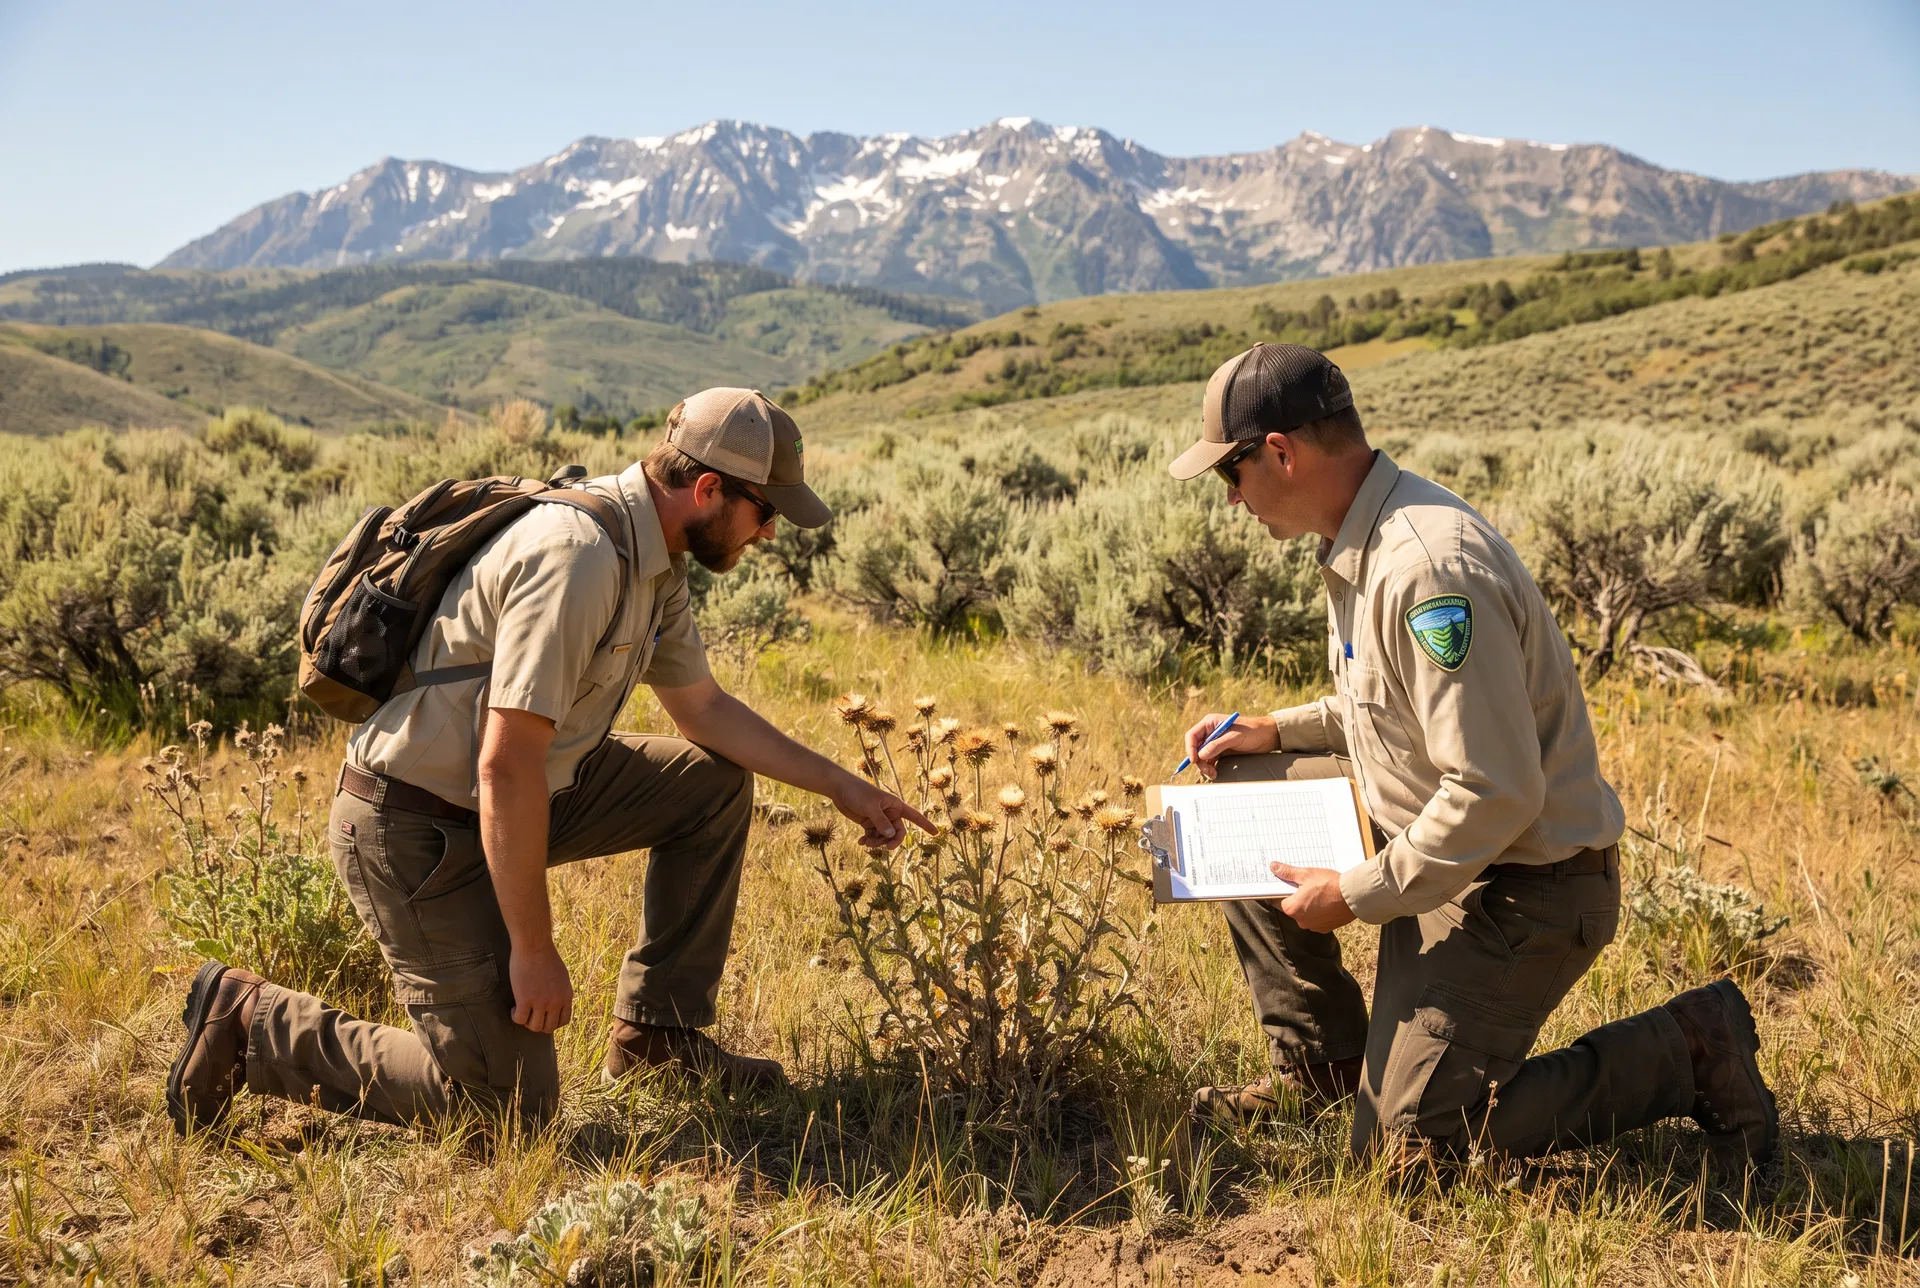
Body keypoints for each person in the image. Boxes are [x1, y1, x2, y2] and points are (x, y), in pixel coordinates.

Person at [168, 388, 930, 1133]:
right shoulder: (580, 557)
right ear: (707, 489)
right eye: (765, 514)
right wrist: (533, 950)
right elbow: (505, 765)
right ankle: (252, 1024)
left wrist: (842, 787)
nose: (767, 535)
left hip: (511, 794)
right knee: (506, 1110)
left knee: (709, 785)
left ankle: (657, 1038)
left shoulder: (655, 556)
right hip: (415, 826)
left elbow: (705, 712)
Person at [1168, 343, 1776, 1171]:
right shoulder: (1363, 536)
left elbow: (1495, 791)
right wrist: (1275, 729)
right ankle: (1325, 1065)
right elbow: (1393, 709)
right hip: (1448, 849)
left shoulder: (1424, 568)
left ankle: (1690, 1049)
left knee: (1410, 1146)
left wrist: (1355, 893)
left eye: (1229, 474)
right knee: (1230, 797)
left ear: (1280, 451)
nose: (1232, 497)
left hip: (1525, 889)